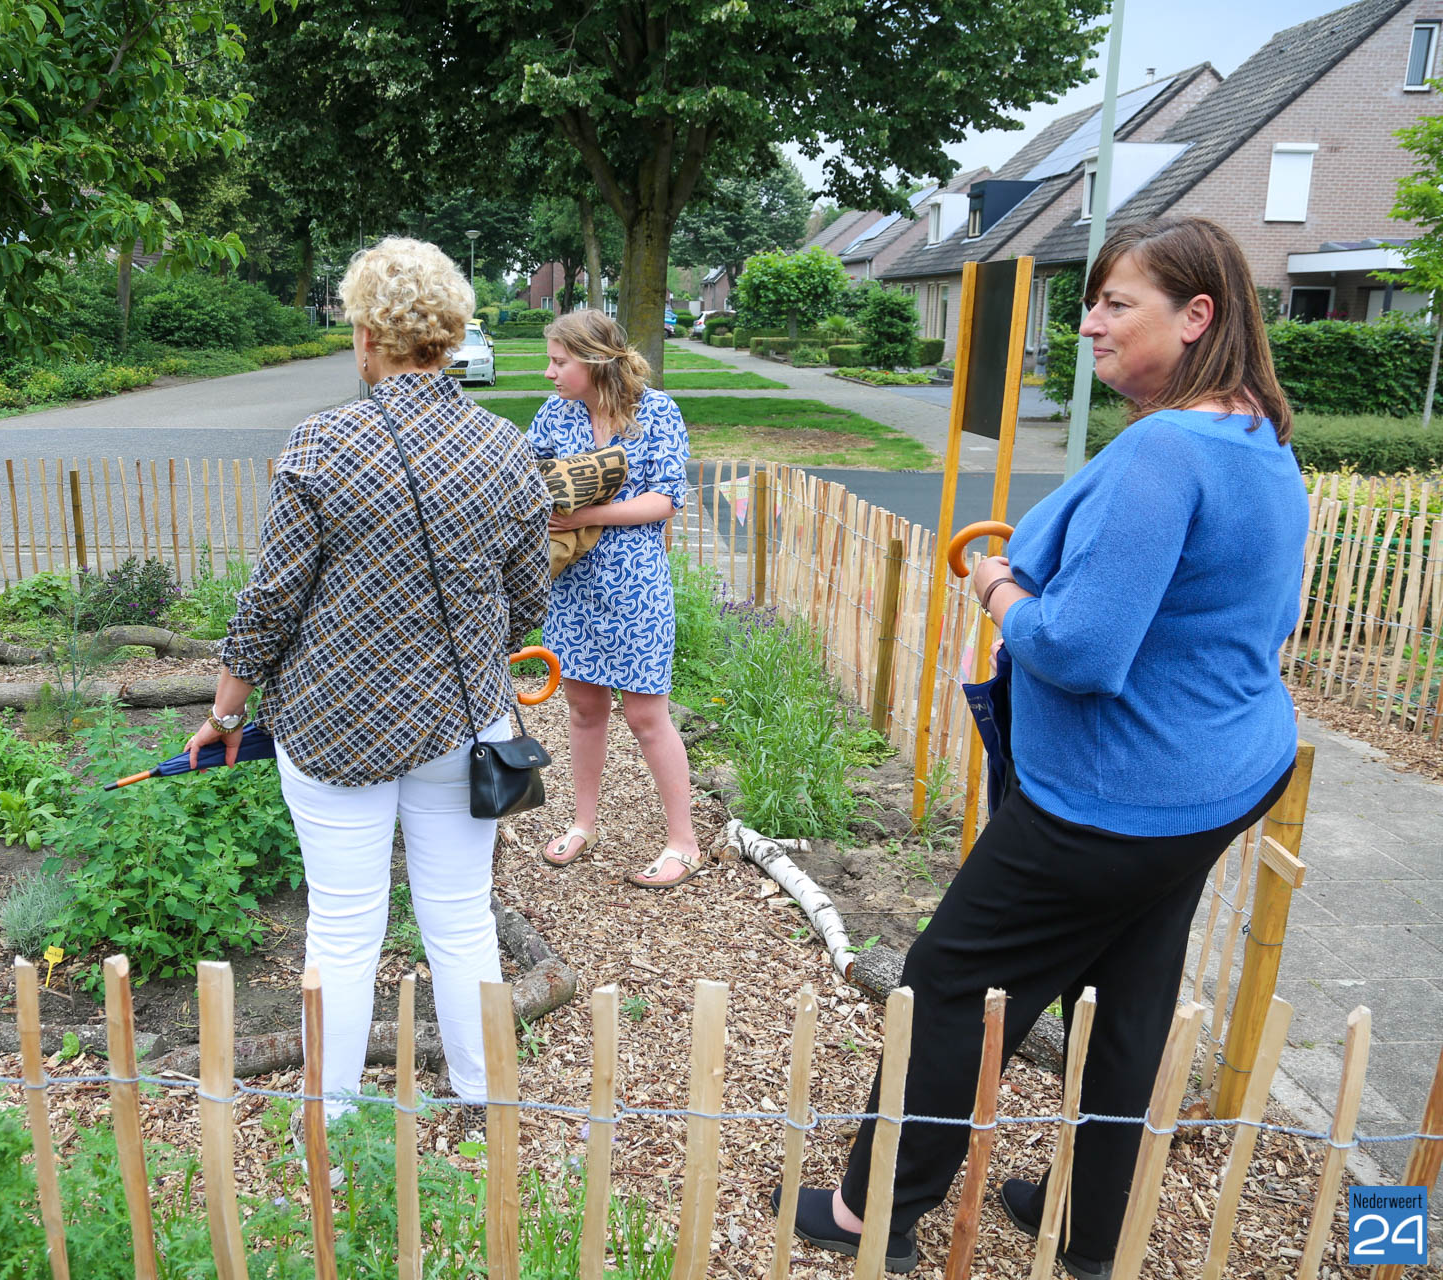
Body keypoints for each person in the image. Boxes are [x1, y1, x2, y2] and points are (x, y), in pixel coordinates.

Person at [774, 216, 1308, 1276]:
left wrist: (999, 587)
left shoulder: (1165, 449)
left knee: (949, 980)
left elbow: (1082, 650)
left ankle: (872, 1212)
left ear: (1196, 316)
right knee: (1125, 996)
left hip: (1113, 796)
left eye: (1118, 303)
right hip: (1218, 776)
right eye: (1093, 301)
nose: (1092, 324)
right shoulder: (1257, 435)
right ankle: (1088, 1228)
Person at [187, 236, 551, 1113]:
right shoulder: (505, 448)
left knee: (343, 929)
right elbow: (527, 599)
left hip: (333, 724)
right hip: (462, 722)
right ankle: (486, 1106)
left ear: (366, 338)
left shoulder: (323, 443)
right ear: (452, 335)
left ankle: (333, 1127)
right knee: (460, 918)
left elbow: (272, 600)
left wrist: (227, 712)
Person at [525, 311, 699, 888]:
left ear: (595, 361)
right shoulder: (554, 414)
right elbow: (526, 482)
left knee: (647, 715)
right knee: (582, 709)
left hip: (635, 585)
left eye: (559, 361)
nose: (549, 372)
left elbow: (665, 500)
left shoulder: (657, 412)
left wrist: (585, 514)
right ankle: (584, 824)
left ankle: (684, 842)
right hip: (572, 584)